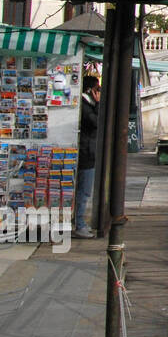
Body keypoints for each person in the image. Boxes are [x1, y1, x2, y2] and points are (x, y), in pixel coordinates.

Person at [75, 76, 100, 238]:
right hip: (86, 153)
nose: (99, 93)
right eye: (97, 89)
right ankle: (80, 224)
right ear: (90, 90)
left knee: (84, 190)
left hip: (88, 152)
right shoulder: (85, 107)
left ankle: (80, 223)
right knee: (84, 191)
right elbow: (97, 122)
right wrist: (98, 104)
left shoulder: (86, 105)